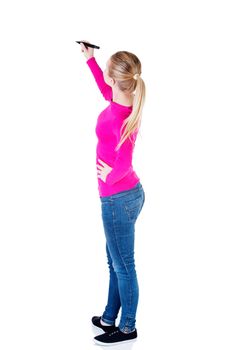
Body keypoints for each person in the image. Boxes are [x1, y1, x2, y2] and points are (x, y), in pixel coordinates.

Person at [80, 40, 146, 346]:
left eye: (106, 69)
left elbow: (126, 158)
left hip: (117, 199)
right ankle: (109, 317)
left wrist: (112, 174)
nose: (104, 75)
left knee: (123, 264)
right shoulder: (121, 99)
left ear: (115, 78)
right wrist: (91, 61)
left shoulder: (122, 115)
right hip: (126, 195)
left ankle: (128, 326)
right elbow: (104, 90)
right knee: (115, 260)